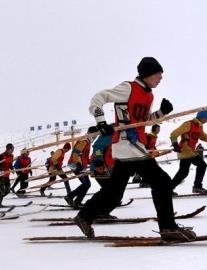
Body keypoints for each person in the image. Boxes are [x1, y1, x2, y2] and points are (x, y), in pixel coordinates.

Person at [73, 56, 197, 242]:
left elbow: (142, 121)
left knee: (114, 193)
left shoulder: (149, 95)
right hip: (127, 145)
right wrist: (101, 122)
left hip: (133, 145)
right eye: (158, 74)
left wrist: (162, 113)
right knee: (162, 182)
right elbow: (98, 98)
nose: (161, 78)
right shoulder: (128, 88)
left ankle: (84, 216)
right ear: (147, 74)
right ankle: (168, 227)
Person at [170, 110, 207, 194]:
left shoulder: (199, 127)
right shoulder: (188, 124)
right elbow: (174, 134)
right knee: (202, 165)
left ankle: (167, 189)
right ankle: (197, 186)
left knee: (183, 172)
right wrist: (175, 144)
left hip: (190, 151)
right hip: (185, 150)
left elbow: (205, 138)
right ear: (202, 117)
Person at [65, 126, 97, 209]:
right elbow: (76, 153)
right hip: (75, 164)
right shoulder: (84, 141)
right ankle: (71, 198)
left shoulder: (88, 141)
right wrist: (78, 164)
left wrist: (91, 162)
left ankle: (75, 200)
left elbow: (84, 156)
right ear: (90, 133)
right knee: (86, 184)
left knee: (87, 184)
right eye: (95, 134)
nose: (96, 136)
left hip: (80, 164)